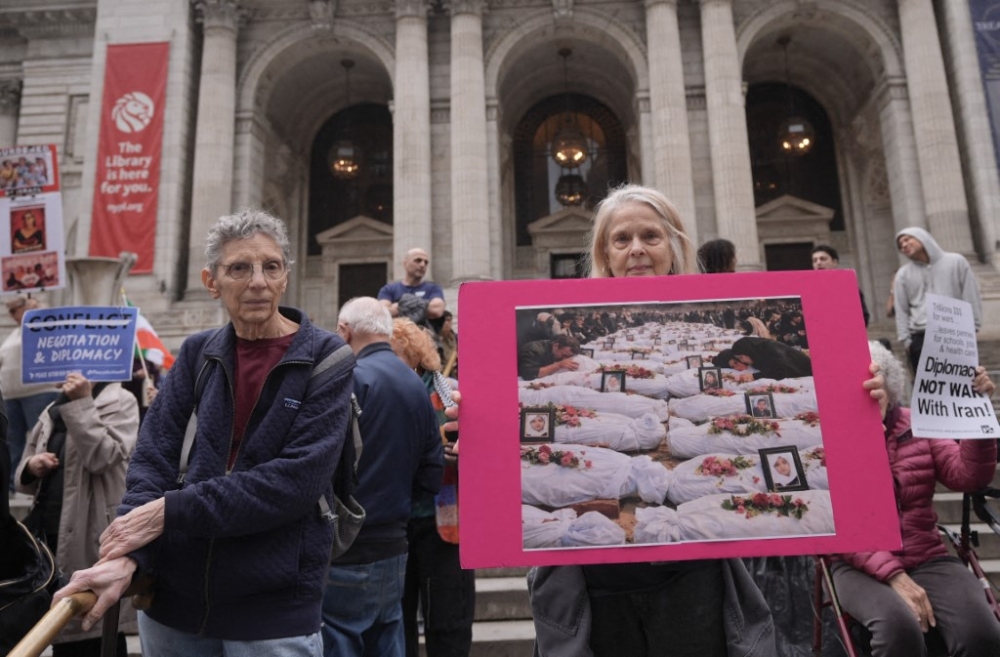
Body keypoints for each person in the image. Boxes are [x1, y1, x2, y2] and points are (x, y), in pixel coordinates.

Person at [527, 184, 889, 657]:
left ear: (673, 247)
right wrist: (467, 430)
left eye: (650, 236)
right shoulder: (582, 347)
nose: (636, 249)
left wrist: (864, 406)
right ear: (605, 254)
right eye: (621, 239)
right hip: (590, 584)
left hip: (696, 578)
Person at [53, 210, 356, 656]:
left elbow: (295, 482)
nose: (257, 281)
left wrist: (171, 511)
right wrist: (128, 555)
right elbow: (151, 460)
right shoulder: (196, 353)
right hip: (172, 606)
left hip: (271, 613)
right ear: (211, 281)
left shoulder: (328, 358)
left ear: (286, 277)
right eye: (239, 268)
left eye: (271, 266)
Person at [831, 341, 1000, 657]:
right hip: (858, 564)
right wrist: (893, 575)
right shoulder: (830, 434)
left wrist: (978, 415)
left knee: (982, 632)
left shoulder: (916, 424)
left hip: (926, 554)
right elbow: (837, 521)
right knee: (898, 631)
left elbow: (967, 476)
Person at [322, 299, 443, 657]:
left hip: (347, 546)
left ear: (345, 331)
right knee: (388, 636)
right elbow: (430, 476)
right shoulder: (417, 384)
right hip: (395, 541)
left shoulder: (351, 379)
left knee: (340, 639)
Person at [16, 372, 139, 656]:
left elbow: (104, 456)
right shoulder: (51, 407)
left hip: (92, 530)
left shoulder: (121, 400)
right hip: (49, 530)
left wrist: (82, 402)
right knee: (60, 628)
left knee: (92, 629)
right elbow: (23, 473)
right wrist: (32, 465)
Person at [390, 318, 475, 657]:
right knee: (397, 622)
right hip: (394, 523)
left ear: (414, 355)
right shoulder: (373, 391)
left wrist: (463, 448)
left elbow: (482, 444)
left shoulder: (449, 390)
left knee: (449, 620)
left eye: (392, 353)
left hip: (446, 519)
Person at [893, 228, 981, 371]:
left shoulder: (957, 262)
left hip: (957, 336)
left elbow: (971, 295)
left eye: (907, 239)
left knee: (966, 387)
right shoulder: (902, 274)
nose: (903, 245)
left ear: (923, 238)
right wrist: (907, 342)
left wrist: (973, 329)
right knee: (930, 391)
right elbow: (901, 309)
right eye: (900, 244)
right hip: (921, 338)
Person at [1, 296, 60, 492]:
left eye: (13, 310)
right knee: (12, 442)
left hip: (39, 392)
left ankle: (42, 480)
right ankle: (11, 482)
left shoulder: (44, 327)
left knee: (41, 439)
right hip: (11, 395)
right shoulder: (14, 334)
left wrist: (36, 308)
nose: (11, 316)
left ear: (28, 305)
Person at [378, 248, 446, 323]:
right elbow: (383, 313)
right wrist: (425, 305)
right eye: (418, 260)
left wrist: (401, 305)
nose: (422, 265)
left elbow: (437, 310)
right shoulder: (388, 289)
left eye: (426, 262)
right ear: (405, 263)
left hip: (426, 333)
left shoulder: (434, 288)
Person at [811, 244, 870, 326]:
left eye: (823, 259)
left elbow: (863, 316)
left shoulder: (849, 287)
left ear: (835, 262)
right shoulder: (810, 290)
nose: (818, 263)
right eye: (815, 260)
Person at [715, 336, 813, 382]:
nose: (743, 361)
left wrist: (755, 376)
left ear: (748, 351)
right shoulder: (757, 354)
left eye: (741, 357)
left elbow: (781, 370)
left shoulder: (768, 348)